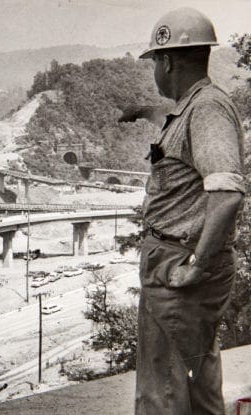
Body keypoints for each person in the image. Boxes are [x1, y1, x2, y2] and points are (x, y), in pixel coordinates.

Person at [134, 7, 245, 415]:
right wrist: (146, 112)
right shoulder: (197, 107)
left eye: (155, 62)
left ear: (165, 61)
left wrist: (196, 265)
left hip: (179, 266)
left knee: (164, 394)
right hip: (177, 262)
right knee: (194, 390)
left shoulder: (206, 110)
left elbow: (228, 193)